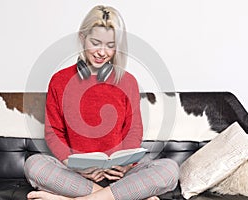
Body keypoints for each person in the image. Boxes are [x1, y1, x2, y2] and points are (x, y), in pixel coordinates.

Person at [24, 5, 179, 200]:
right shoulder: (59, 80)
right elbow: (53, 131)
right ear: (83, 38)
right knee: (34, 165)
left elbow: (133, 130)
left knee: (169, 169)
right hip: (78, 175)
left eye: (110, 45)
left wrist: (124, 165)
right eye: (96, 43)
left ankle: (81, 199)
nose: (102, 52)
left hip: (120, 176)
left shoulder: (128, 81)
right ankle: (121, 196)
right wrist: (74, 166)